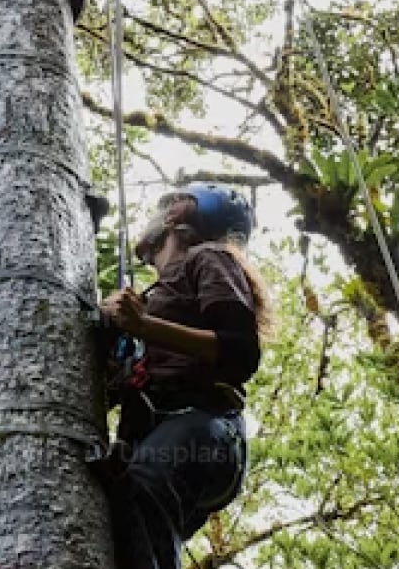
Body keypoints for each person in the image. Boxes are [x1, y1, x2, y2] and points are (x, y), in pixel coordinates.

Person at [96, 182, 272, 569]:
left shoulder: (208, 259)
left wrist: (145, 326)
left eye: (166, 205)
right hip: (164, 438)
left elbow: (239, 350)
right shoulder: (152, 297)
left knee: (141, 490)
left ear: (177, 215)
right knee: (119, 530)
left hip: (202, 425)